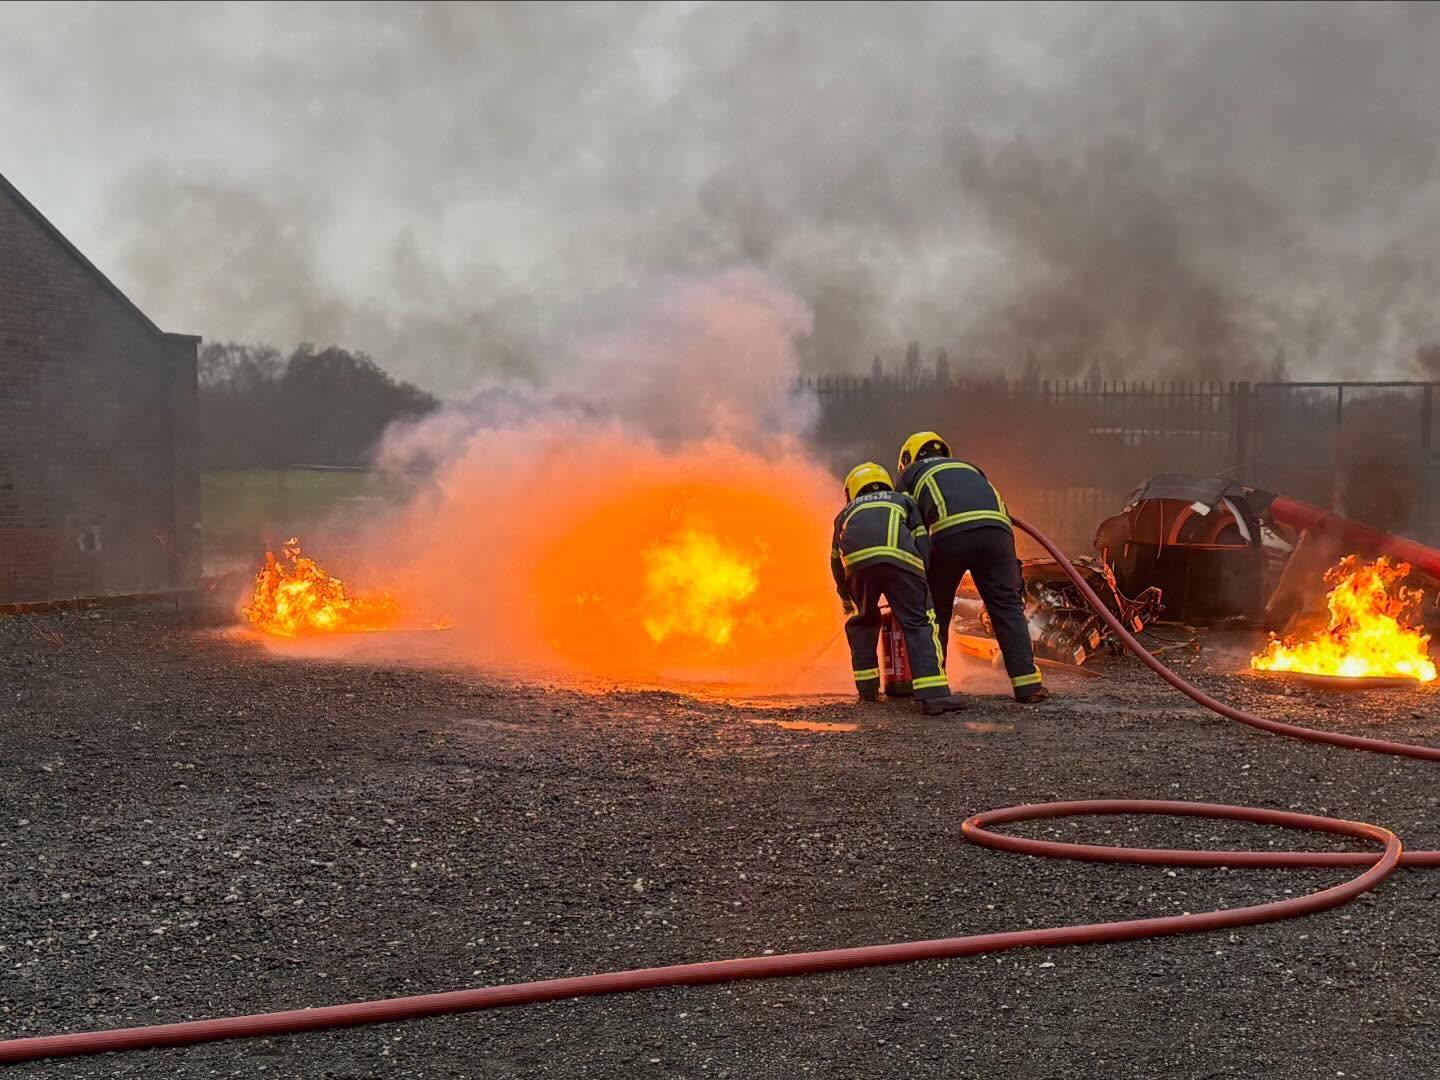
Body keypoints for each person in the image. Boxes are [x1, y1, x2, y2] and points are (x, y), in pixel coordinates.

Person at [896, 431, 1048, 703]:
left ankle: (934, 686)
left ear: (908, 458)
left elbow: (903, 520)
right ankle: (1028, 686)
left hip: (949, 533)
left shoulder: (911, 474)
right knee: (1007, 607)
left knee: (937, 610)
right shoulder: (971, 468)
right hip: (997, 534)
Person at [830, 461, 969, 716]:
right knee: (918, 623)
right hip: (901, 563)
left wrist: (846, 597)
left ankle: (868, 691)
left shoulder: (844, 513)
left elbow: (835, 561)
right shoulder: (902, 501)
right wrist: (924, 576)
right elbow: (922, 541)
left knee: (863, 623)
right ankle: (934, 695)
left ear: (852, 490)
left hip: (858, 568)